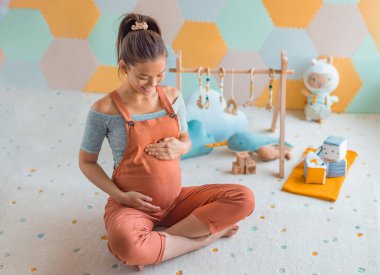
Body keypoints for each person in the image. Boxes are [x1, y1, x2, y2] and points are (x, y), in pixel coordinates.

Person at [79, 13, 255, 271]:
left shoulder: (172, 98)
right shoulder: (104, 110)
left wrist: (181, 146)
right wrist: (120, 195)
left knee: (244, 198)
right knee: (126, 244)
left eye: (160, 75)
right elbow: (86, 162)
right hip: (131, 205)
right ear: (124, 67)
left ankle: (161, 240)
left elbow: (185, 139)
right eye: (143, 77)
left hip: (175, 201)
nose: (152, 84)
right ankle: (202, 238)